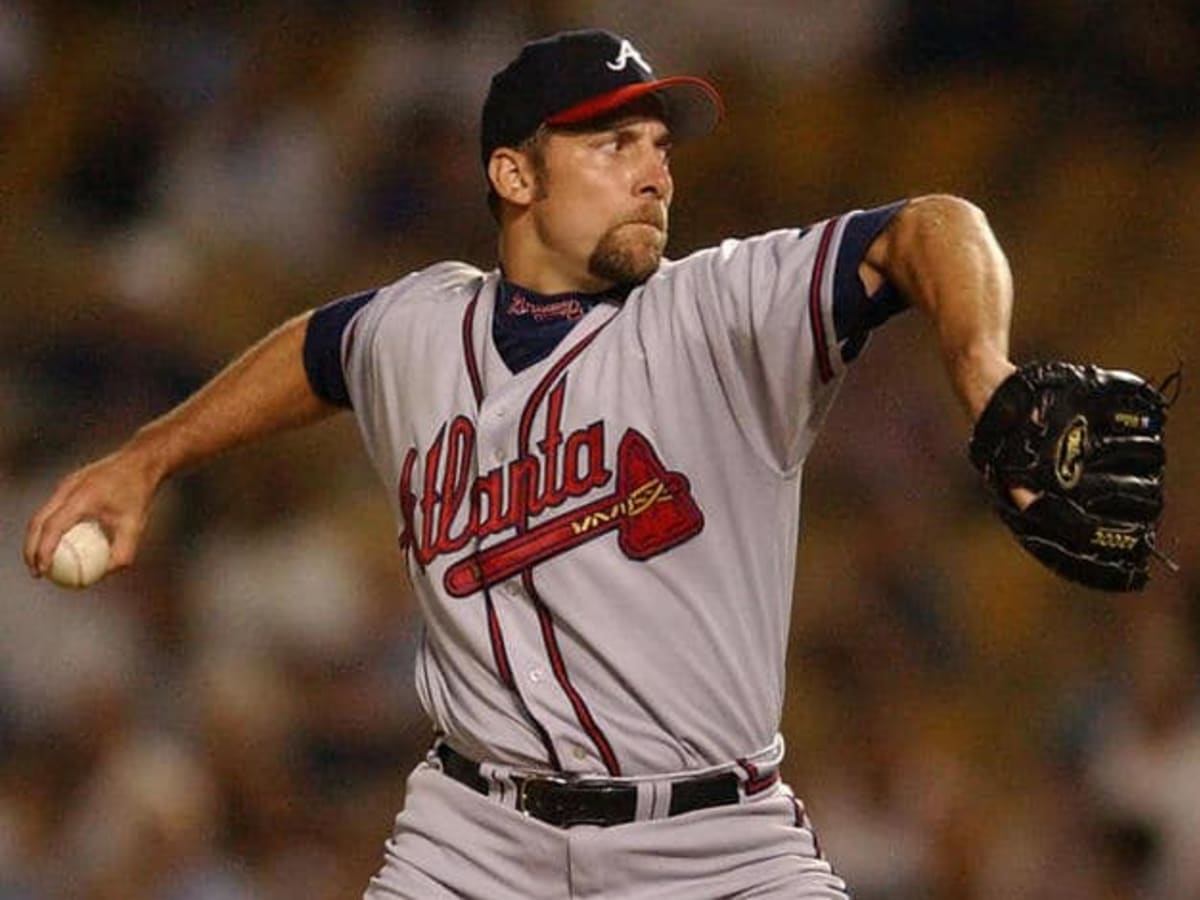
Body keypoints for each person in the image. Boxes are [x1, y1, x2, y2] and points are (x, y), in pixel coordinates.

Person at [24, 29, 1018, 899]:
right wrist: (150, 458)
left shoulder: (724, 308)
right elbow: (318, 352)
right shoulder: (416, 327)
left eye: (659, 147)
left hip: (713, 844)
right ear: (515, 174)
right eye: (613, 143)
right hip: (475, 839)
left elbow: (930, 228)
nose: (654, 172)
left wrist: (982, 366)